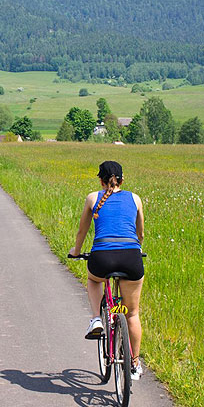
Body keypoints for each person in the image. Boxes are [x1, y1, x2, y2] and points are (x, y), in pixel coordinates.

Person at [69, 161, 145, 379]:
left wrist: (76, 251)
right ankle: (135, 364)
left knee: (94, 280)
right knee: (131, 313)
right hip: (131, 257)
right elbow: (140, 234)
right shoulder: (135, 198)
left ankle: (97, 319)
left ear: (101, 180)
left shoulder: (93, 198)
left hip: (102, 258)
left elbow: (82, 232)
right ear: (122, 179)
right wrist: (137, 248)